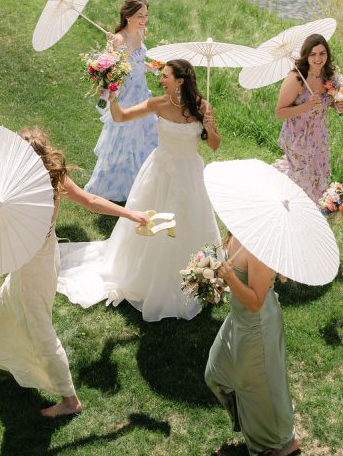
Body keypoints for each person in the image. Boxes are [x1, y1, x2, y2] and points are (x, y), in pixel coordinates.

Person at [0, 127, 147, 418]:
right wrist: (131, 214)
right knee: (7, 300)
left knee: (40, 331)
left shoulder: (20, 192)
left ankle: (69, 399)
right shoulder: (52, 177)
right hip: (45, 258)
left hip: (33, 267)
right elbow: (90, 201)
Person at [58, 60, 221, 321]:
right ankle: (146, 275)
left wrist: (210, 127)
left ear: (180, 81)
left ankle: (195, 275)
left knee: (190, 222)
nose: (161, 80)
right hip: (160, 173)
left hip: (190, 174)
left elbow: (214, 145)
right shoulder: (158, 103)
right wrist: (112, 99)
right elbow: (121, 117)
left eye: (166, 76)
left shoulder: (203, 106)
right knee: (153, 223)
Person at [206, 232, 300, 456]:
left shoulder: (262, 249)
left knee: (263, 388)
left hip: (257, 326)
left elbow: (256, 303)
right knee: (216, 372)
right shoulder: (238, 231)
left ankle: (287, 440)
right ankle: (249, 417)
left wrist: (230, 277)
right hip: (238, 318)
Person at [85, 0, 158, 202]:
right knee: (124, 137)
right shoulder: (118, 39)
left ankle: (140, 184)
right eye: (140, 16)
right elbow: (110, 70)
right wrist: (111, 47)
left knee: (145, 136)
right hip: (127, 95)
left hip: (142, 92)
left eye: (146, 15)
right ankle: (112, 185)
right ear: (128, 16)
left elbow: (137, 61)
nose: (144, 20)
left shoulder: (141, 32)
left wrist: (150, 67)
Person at [274, 34, 343, 205]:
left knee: (317, 177)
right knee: (301, 179)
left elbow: (326, 102)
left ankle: (309, 214)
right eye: (313, 54)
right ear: (306, 55)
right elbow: (279, 113)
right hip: (298, 138)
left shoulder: (329, 76)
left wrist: (336, 104)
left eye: (322, 53)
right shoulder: (296, 78)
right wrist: (307, 105)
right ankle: (289, 209)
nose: (318, 58)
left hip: (319, 137)